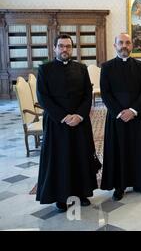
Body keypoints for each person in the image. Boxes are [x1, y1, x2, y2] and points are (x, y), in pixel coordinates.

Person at [36, 34, 98, 212]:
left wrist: (79, 115)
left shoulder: (81, 68)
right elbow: (43, 97)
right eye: (61, 46)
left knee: (81, 157)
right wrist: (64, 117)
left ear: (72, 48)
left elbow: (88, 95)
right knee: (60, 159)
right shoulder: (45, 70)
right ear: (54, 48)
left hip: (80, 122)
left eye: (68, 47)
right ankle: (61, 197)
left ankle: (82, 193)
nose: (65, 50)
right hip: (57, 123)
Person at [100, 33, 141, 201]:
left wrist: (133, 110)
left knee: (139, 149)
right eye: (121, 43)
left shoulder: (140, 66)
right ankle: (119, 186)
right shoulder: (107, 67)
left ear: (132, 45)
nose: (124, 45)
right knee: (118, 151)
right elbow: (105, 93)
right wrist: (120, 112)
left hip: (137, 116)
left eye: (128, 43)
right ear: (115, 45)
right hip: (116, 117)